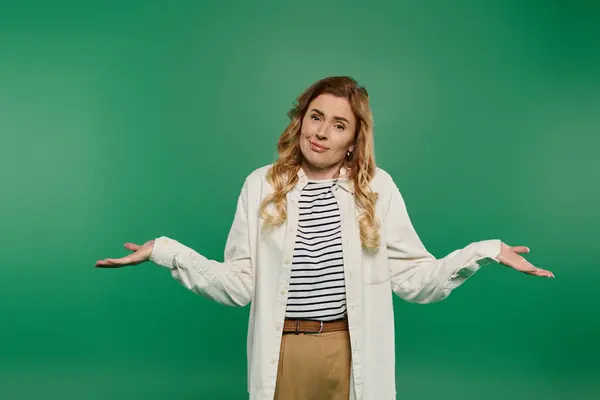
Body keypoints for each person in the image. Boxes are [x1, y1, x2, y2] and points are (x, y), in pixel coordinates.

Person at [95, 76, 554, 400]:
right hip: (283, 352)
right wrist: (166, 252)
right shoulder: (261, 185)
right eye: (316, 117)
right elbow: (238, 285)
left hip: (349, 350)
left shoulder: (377, 189)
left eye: (339, 124)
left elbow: (415, 279)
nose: (321, 132)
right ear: (301, 121)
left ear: (354, 139)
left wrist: (485, 252)